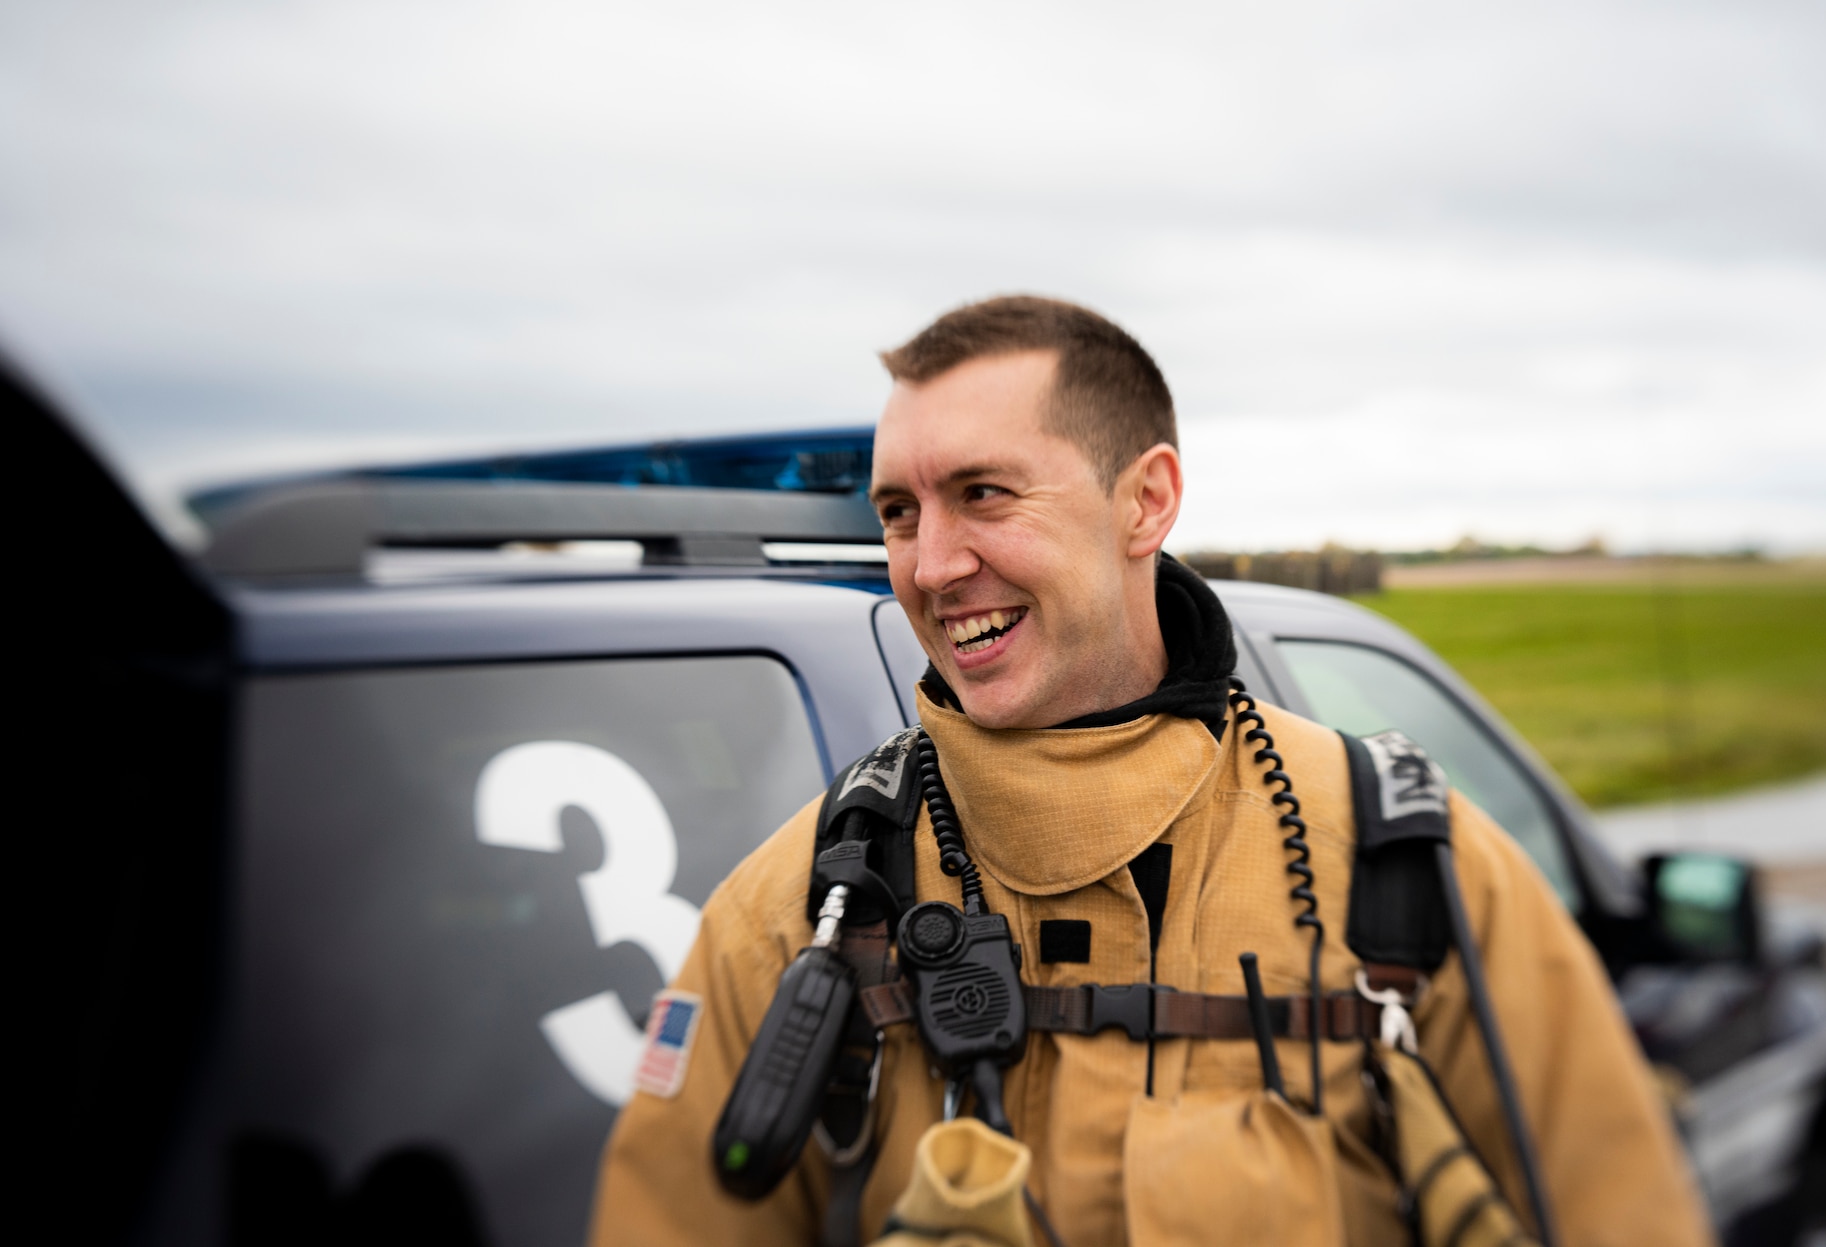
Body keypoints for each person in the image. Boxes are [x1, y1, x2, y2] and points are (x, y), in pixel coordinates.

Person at [589, 296, 1712, 1246]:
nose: (929, 567)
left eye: (983, 494)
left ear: (1146, 501)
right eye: (897, 512)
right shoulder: (799, 911)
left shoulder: (1409, 869)